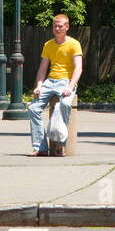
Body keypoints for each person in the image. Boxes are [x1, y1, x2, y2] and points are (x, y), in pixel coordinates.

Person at [27, 14, 83, 157]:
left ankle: (59, 144)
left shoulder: (74, 44)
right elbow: (42, 68)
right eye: (55, 26)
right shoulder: (48, 45)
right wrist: (39, 85)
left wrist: (70, 87)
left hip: (65, 81)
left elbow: (78, 68)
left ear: (67, 27)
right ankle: (41, 147)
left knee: (63, 104)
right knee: (33, 108)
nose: (57, 29)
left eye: (60, 26)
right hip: (50, 81)